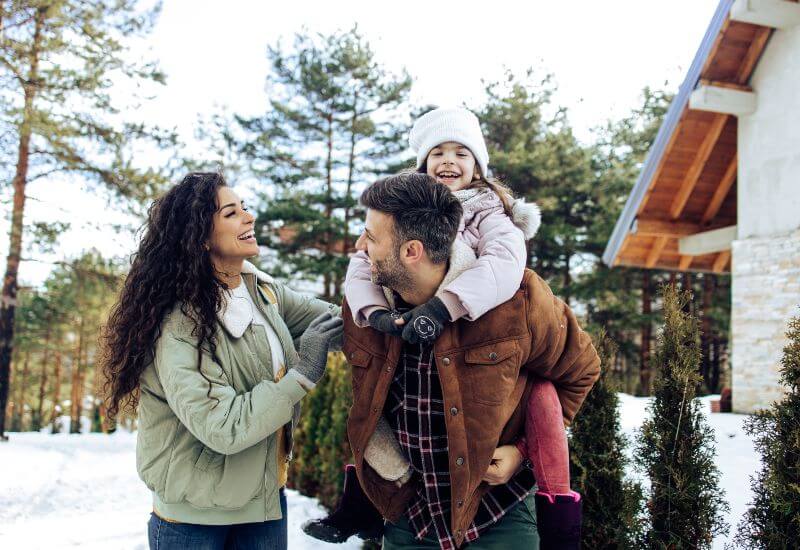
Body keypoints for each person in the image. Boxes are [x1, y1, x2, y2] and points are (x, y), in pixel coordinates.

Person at [303, 107, 582, 548]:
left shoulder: (497, 232)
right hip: (410, 508)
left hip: (496, 507)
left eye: (460, 152)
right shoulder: (385, 250)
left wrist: (444, 307)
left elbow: (507, 263)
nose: (448, 161)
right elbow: (359, 272)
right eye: (437, 152)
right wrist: (374, 314)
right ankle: (358, 502)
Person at [100, 172, 342, 550]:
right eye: (232, 213)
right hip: (194, 521)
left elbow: (336, 321)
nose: (249, 217)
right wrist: (302, 374)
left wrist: (405, 305)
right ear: (199, 236)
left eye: (244, 208)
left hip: (263, 504)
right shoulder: (180, 321)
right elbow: (223, 426)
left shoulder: (259, 290)